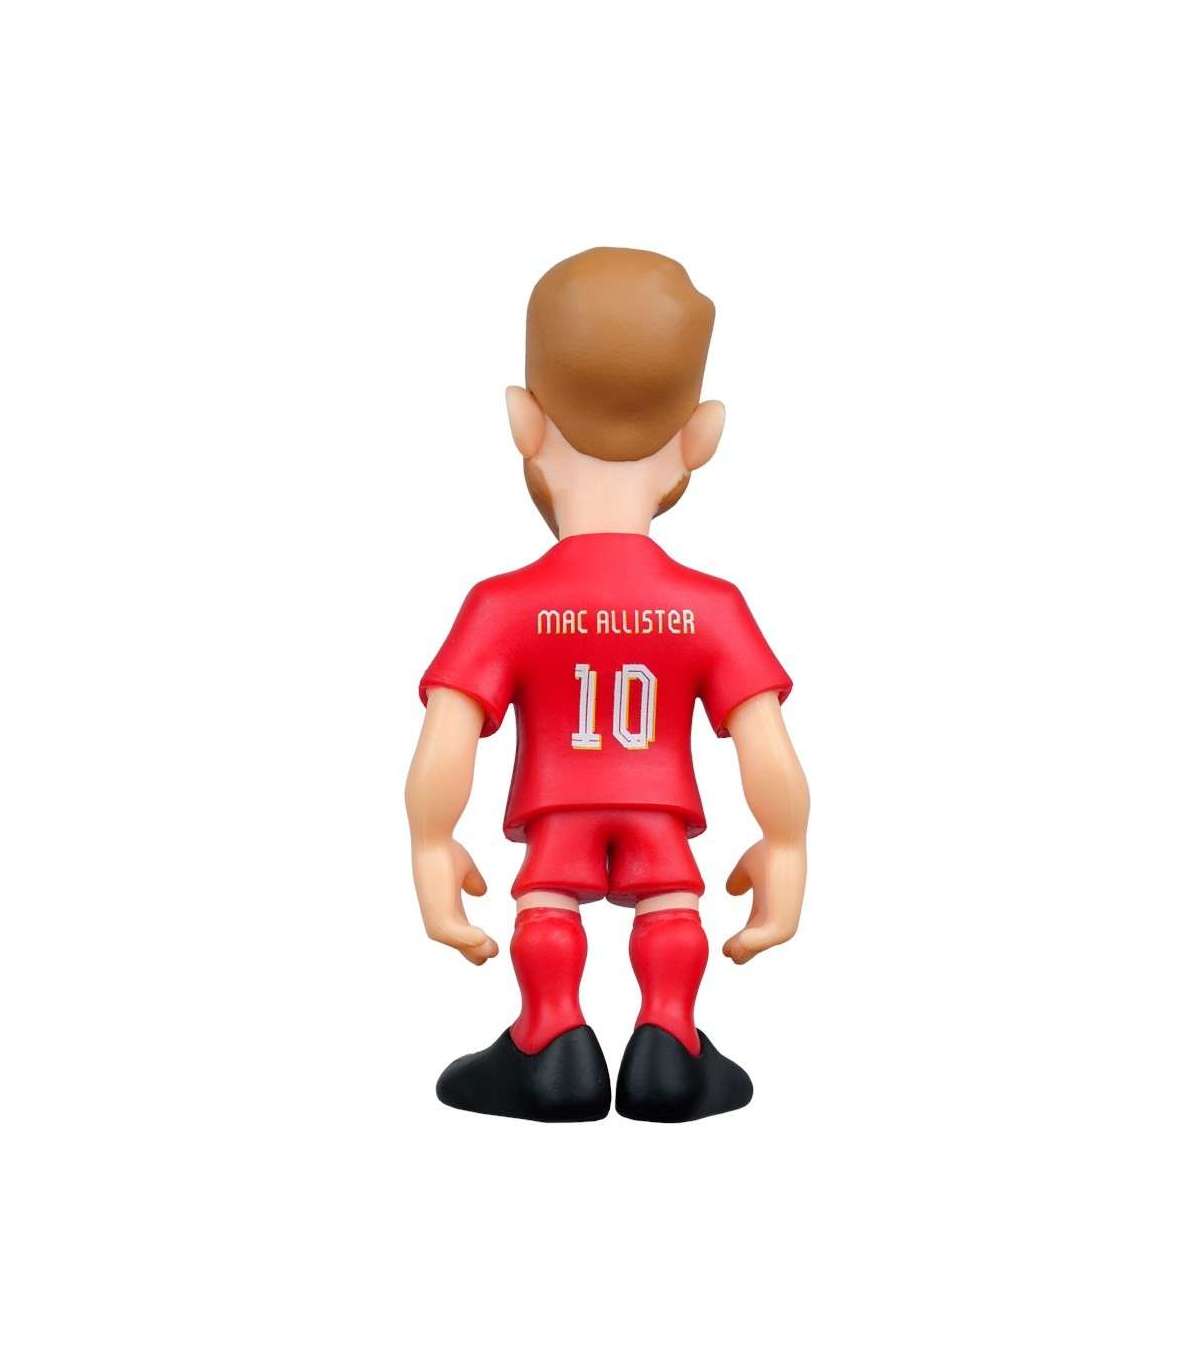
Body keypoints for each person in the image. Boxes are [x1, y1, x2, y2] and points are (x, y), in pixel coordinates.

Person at [406, 247, 810, 1122]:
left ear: (523, 422)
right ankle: (670, 1039)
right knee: (673, 902)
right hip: (660, 808)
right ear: (701, 438)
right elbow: (764, 741)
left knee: (546, 901)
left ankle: (551, 1038)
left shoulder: (503, 604)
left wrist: (432, 840)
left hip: (558, 807)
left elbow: (447, 730)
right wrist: (785, 841)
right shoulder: (711, 607)